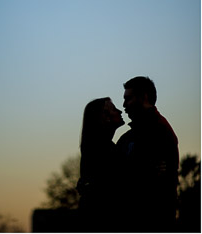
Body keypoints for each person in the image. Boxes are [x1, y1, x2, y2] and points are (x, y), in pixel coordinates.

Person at [116, 76, 179, 231]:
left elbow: (148, 183)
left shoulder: (159, 130)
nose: (124, 105)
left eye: (128, 98)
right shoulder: (129, 136)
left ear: (144, 97)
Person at [76, 97, 126, 231]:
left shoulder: (95, 148)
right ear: (104, 116)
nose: (120, 111)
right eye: (114, 109)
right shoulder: (103, 150)